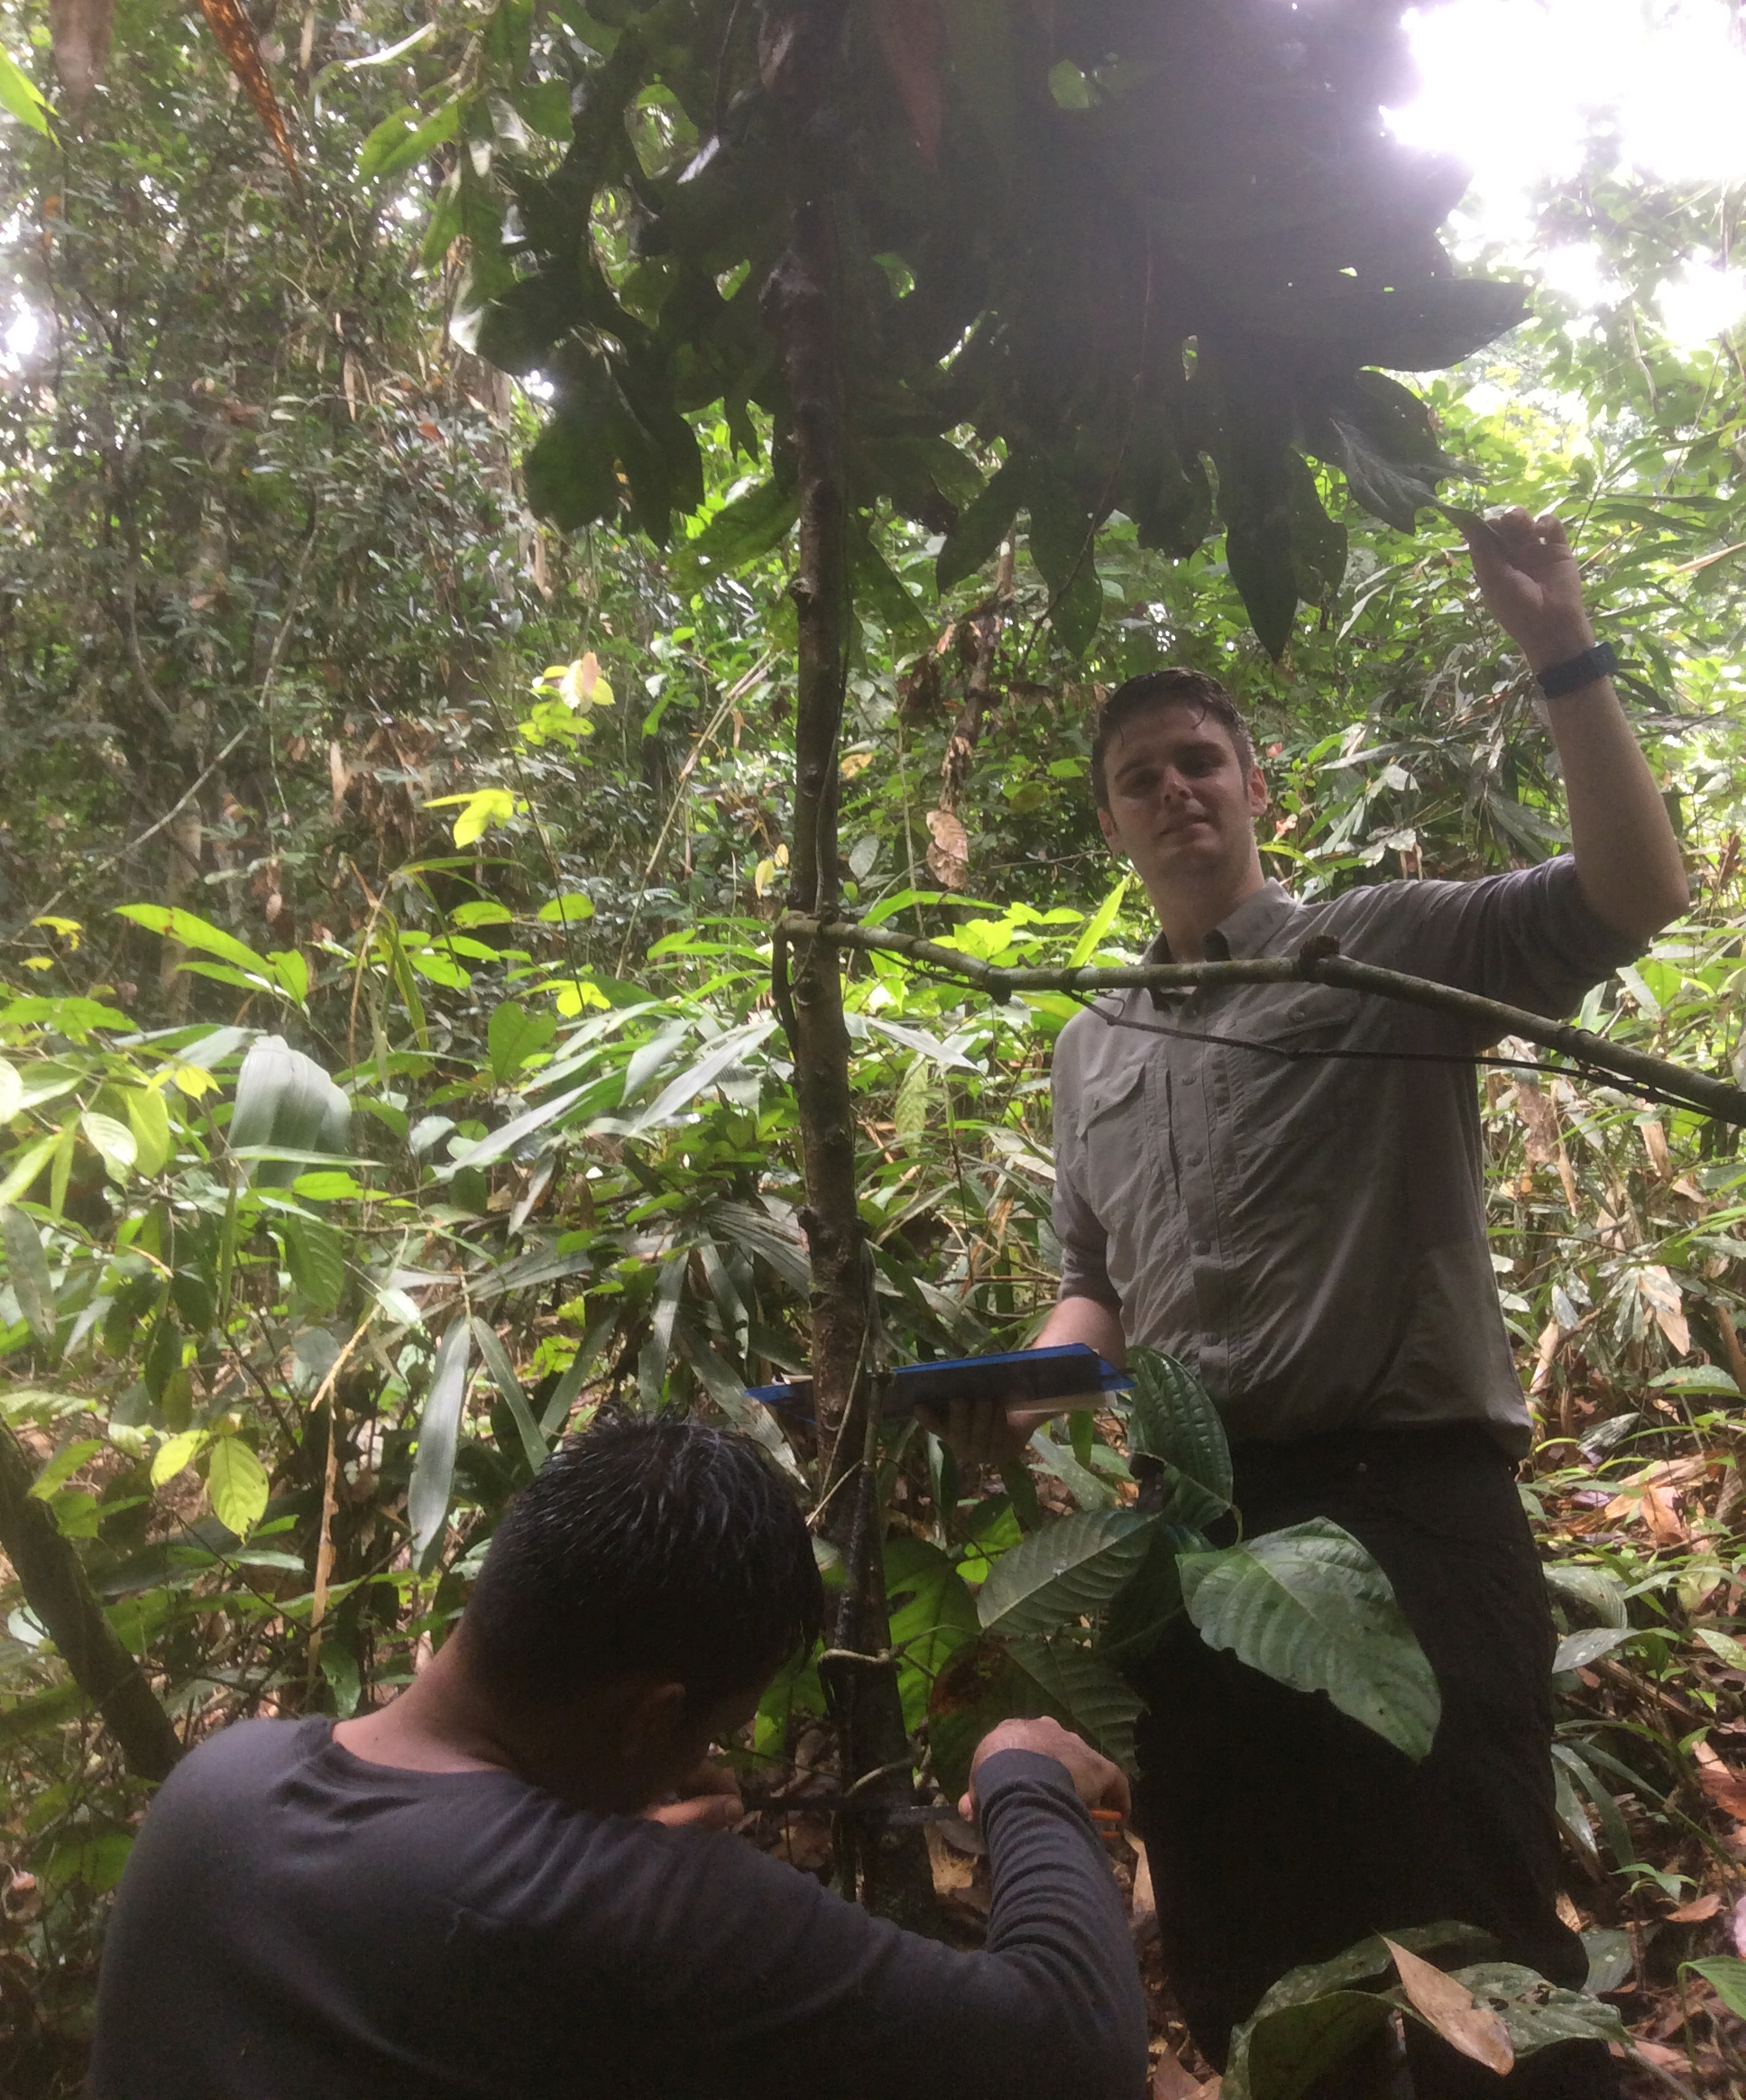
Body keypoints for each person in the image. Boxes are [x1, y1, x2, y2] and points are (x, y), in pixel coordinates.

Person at [931, 511, 1688, 2096]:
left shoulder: (1386, 955)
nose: (1175, 790)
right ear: (1112, 820)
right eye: (1140, 776)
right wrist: (1029, 1381)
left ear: (1255, 784)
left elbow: (1630, 892)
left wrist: (1562, 644)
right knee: (1248, 1948)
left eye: (1200, 758)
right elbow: (1098, 1286)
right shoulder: (1093, 1046)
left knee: (1482, 1947)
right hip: (1192, 1535)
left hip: (1404, 1501)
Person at [91, 1412, 1147, 2100]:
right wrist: (1026, 1778)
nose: (710, 1762)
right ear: (651, 1716)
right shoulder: (638, 1905)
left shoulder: (218, 1784)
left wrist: (609, 1858)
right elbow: (1069, 2053)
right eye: (705, 1732)